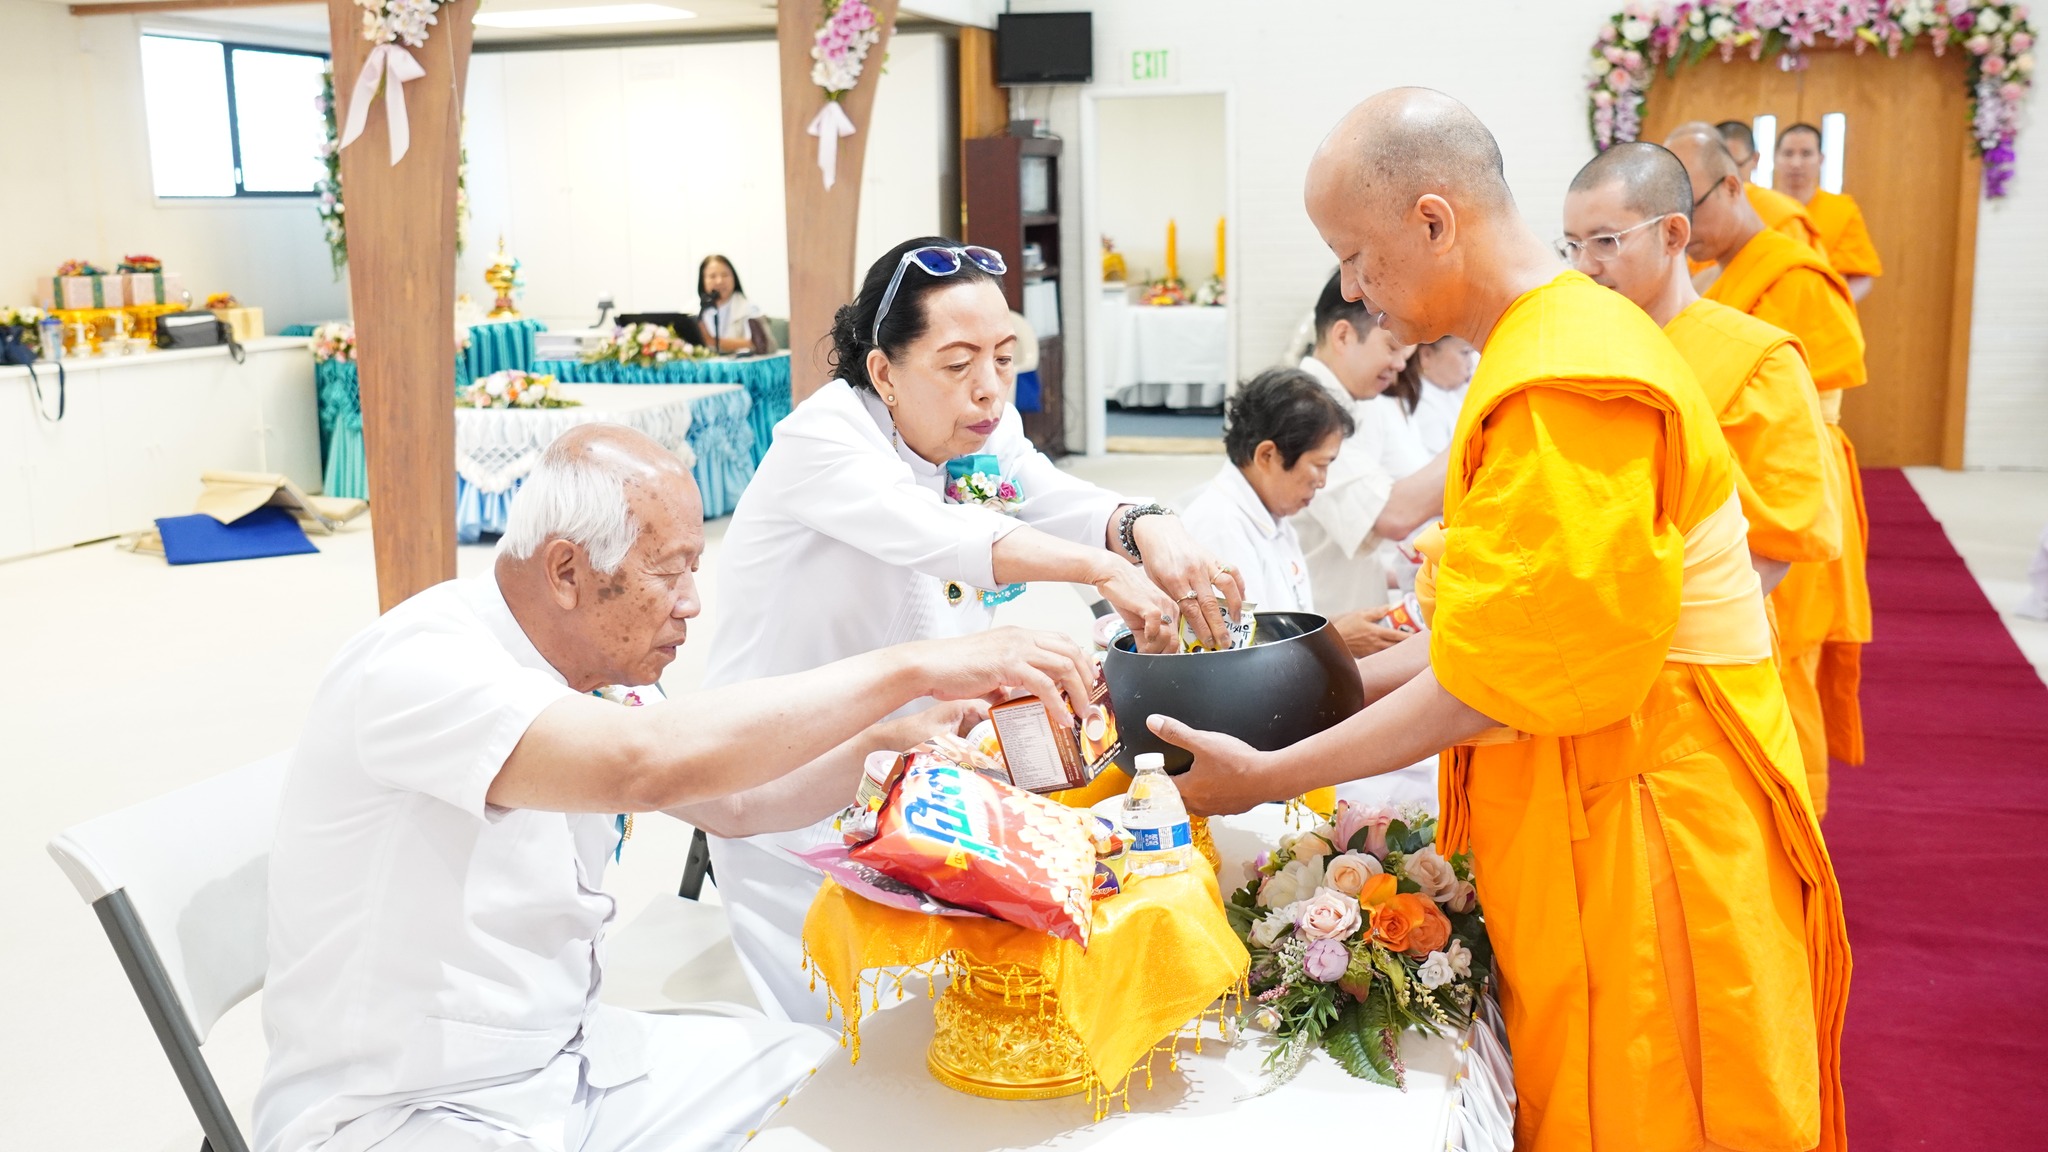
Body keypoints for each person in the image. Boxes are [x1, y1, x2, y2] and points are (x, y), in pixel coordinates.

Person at [1150, 89, 1849, 1152]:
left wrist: (1266, 775)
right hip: (1610, 780)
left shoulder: (1565, 378)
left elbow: (1498, 678)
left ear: (1435, 220)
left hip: (1653, 807)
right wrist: (1281, 697)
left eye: (1356, 254)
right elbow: (1499, 633)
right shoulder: (1546, 341)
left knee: (1657, 1114)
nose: (1350, 288)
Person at [253, 424, 1099, 1152]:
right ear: (565, 571)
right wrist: (913, 666)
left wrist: (886, 742)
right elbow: (644, 763)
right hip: (404, 1111)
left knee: (833, 1089)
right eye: (669, 571)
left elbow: (730, 805)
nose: (693, 604)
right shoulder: (424, 665)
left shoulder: (590, 666)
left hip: (561, 1065)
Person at [700, 236, 1244, 1024]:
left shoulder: (977, 425)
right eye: (957, 365)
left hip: (913, 763)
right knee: (846, 1034)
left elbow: (1047, 493)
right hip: (791, 779)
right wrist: (1100, 571)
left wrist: (1143, 522)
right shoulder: (824, 442)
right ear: (884, 371)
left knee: (943, 1016)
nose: (989, 390)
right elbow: (940, 532)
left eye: (1004, 357)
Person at [1669, 122, 1873, 815]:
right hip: (1721, 495)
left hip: (1787, 492)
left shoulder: (1792, 271)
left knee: (1781, 661)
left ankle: (1795, 823)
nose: (1679, 230)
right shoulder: (1705, 271)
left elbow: (1815, 399)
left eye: (1688, 209)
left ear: (1732, 185)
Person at [1295, 271, 1447, 646]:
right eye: (1393, 348)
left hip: (1351, 611)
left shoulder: (1362, 403)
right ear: (1344, 335)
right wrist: (1486, 418)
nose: (1400, 365)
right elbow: (1392, 514)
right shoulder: (1306, 409)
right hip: (1321, 630)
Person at [1181, 367, 1353, 613]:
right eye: (1319, 465)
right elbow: (1246, 642)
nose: (1322, 481)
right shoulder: (1220, 527)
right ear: (1266, 455)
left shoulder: (1272, 515)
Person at [1773, 122, 1883, 302]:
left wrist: (1832, 307)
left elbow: (1861, 276)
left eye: (1806, 154)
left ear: (1821, 159)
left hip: (1821, 316)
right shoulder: (1757, 207)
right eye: (1788, 153)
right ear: (1776, 158)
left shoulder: (1841, 209)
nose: (1796, 163)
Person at [1410, 335, 1477, 456]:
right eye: (1465, 353)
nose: (1470, 364)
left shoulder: (1451, 395)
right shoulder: (1422, 404)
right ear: (1427, 355)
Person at [698, 254, 765, 354]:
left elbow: (755, 343)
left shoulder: (749, 308)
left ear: (734, 278)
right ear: (702, 281)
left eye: (725, 275)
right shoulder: (692, 310)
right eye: (712, 276)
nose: (719, 281)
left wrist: (712, 341)